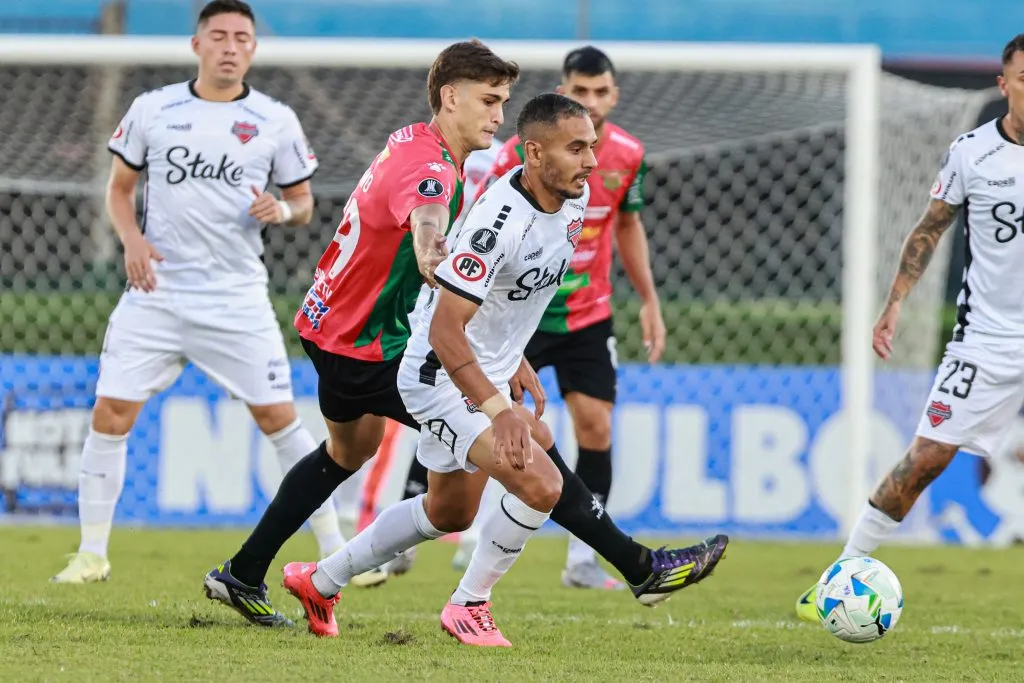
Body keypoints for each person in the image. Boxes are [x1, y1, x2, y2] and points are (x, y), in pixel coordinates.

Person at [281, 93, 727, 647]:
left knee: (448, 512)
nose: (591, 161)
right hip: (438, 376)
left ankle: (320, 581)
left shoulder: (574, 200)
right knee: (540, 479)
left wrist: (512, 355)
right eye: (576, 149)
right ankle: (472, 604)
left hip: (483, 365)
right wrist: (499, 410)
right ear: (534, 153)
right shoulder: (497, 223)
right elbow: (445, 329)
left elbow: (505, 298)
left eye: (591, 147)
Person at [202, 38, 523, 625]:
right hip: (365, 345)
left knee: (347, 453)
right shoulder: (433, 168)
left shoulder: (413, 139)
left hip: (330, 326)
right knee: (513, 443)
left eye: (504, 102)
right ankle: (630, 564)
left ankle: (243, 573)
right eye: (490, 100)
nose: (500, 116)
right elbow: (427, 219)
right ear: (451, 97)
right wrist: (432, 250)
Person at [51, 0, 346, 584]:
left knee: (280, 418)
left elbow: (305, 204)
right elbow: (119, 189)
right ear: (197, 44)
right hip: (156, 291)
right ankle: (91, 553)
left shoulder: (275, 119)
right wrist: (131, 241)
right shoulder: (153, 109)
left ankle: (336, 547)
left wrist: (282, 209)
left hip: (235, 297)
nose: (230, 46)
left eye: (241, 37)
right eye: (219, 36)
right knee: (110, 412)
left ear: (253, 48)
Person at [396, 45, 667, 588]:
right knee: (469, 419)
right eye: (581, 91)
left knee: (591, 425)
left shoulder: (626, 157)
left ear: (615, 96)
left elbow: (627, 225)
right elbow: (487, 226)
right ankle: (419, 552)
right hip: (515, 315)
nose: (592, 100)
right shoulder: (517, 166)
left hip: (585, 311)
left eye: (601, 92)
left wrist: (649, 300)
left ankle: (583, 561)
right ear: (564, 94)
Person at [796, 32, 1024, 621]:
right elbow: (929, 229)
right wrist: (895, 302)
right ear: (1004, 85)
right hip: (988, 341)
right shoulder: (973, 153)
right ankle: (839, 575)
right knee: (925, 458)